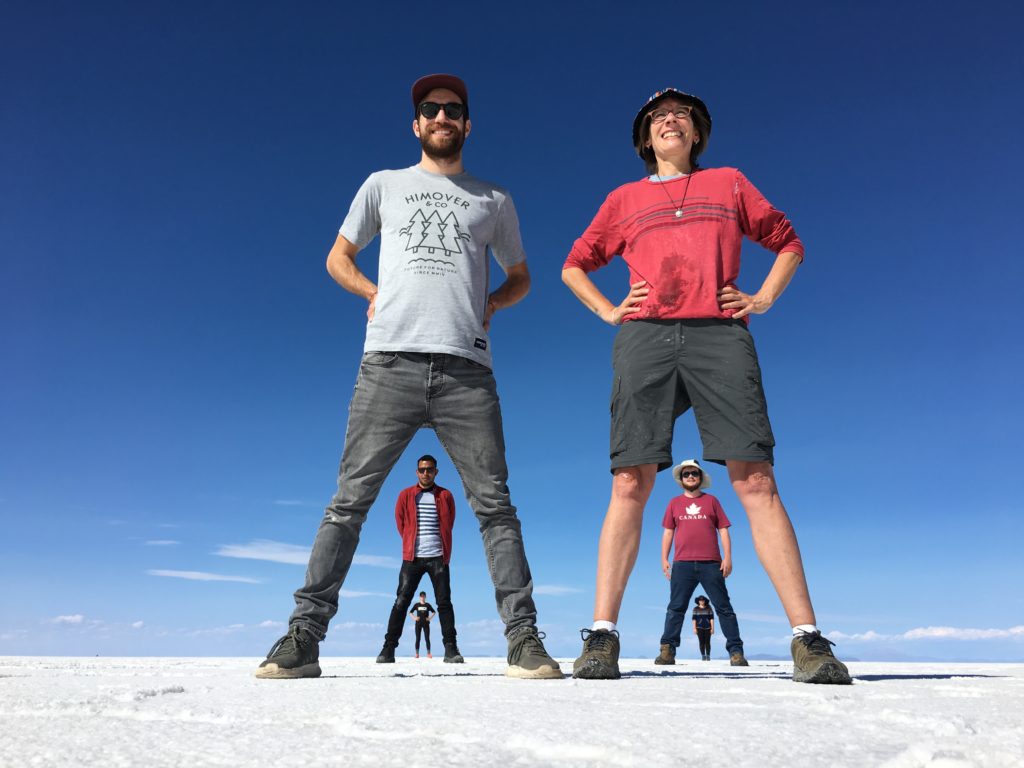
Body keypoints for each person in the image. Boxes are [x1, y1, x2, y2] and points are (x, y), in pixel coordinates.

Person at [256, 73, 561, 680]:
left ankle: (523, 639)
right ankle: (303, 636)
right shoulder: (383, 186)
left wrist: (495, 302)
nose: (442, 116)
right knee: (349, 502)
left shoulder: (492, 199)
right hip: (387, 363)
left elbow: (522, 275)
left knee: (495, 507)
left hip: (467, 370)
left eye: (454, 109)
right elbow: (337, 257)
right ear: (416, 124)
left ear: (467, 125)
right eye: (431, 108)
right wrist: (372, 290)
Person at [562, 87, 850, 684]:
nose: (671, 120)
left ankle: (807, 639)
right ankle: (602, 636)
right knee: (628, 478)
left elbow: (788, 240)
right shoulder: (624, 198)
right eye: (659, 117)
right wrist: (610, 310)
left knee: (755, 477)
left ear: (697, 135)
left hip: (721, 335)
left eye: (682, 116)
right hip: (645, 337)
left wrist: (763, 297)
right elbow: (574, 264)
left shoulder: (729, 183)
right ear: (646, 139)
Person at [654, 460, 747, 666]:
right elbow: (668, 532)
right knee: (676, 608)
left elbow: (723, 529)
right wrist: (664, 558)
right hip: (682, 564)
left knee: (724, 608)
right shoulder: (673, 503)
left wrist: (728, 557)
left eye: (694, 473)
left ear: (700, 477)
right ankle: (667, 650)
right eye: (686, 474)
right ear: (681, 478)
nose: (690, 477)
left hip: (711, 564)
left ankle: (736, 652)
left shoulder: (712, 501)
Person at [376, 456, 461, 664]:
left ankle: (451, 649)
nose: (426, 473)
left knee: (444, 603)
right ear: (417, 472)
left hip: (438, 557)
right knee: (401, 602)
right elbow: (400, 522)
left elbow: (449, 522)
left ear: (436, 472)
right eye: (422, 470)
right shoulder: (405, 495)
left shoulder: (445, 495)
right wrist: (409, 544)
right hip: (412, 558)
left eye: (430, 469)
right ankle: (388, 649)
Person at [410, 591, 436, 659]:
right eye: (421, 596)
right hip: (418, 624)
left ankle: (429, 653)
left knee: (427, 638)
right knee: (418, 638)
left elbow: (434, 612)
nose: (422, 597)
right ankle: (417, 654)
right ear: (419, 597)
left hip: (426, 624)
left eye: (423, 596)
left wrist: (429, 618)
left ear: (425, 597)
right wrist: (414, 618)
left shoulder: (427, 605)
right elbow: (410, 612)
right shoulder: (416, 605)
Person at [691, 596, 714, 661]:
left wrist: (712, 628)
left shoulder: (709, 608)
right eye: (700, 600)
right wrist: (694, 628)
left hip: (708, 627)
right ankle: (703, 655)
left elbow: (712, 619)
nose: (701, 601)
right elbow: (694, 619)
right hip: (699, 627)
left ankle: (708, 655)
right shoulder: (695, 609)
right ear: (698, 601)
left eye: (703, 600)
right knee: (701, 642)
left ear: (705, 601)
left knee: (708, 642)